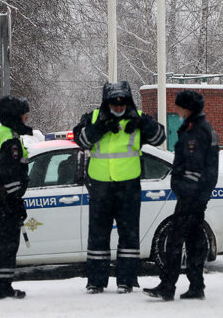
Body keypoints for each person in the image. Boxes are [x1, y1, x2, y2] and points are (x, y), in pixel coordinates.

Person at [73, 81, 166, 294]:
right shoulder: (94, 118)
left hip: (128, 186)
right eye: (113, 104)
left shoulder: (138, 117)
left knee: (129, 235)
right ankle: (96, 281)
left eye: (122, 103)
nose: (118, 107)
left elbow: (160, 137)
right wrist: (100, 128)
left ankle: (127, 280)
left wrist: (143, 125)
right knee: (98, 235)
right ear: (106, 103)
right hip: (100, 186)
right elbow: (81, 140)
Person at [144, 90, 219, 301]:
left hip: (191, 196)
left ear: (187, 109)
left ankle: (168, 286)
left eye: (178, 107)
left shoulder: (196, 132)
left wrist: (186, 192)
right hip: (196, 196)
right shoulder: (200, 128)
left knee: (175, 241)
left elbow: (194, 167)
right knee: (194, 241)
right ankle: (196, 286)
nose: (176, 111)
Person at [0, 95, 32, 300]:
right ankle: (2, 288)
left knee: (2, 243)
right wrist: (16, 202)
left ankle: (1, 285)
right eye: (24, 116)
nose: (26, 120)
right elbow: (9, 174)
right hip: (6, 200)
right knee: (8, 244)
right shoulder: (10, 139)